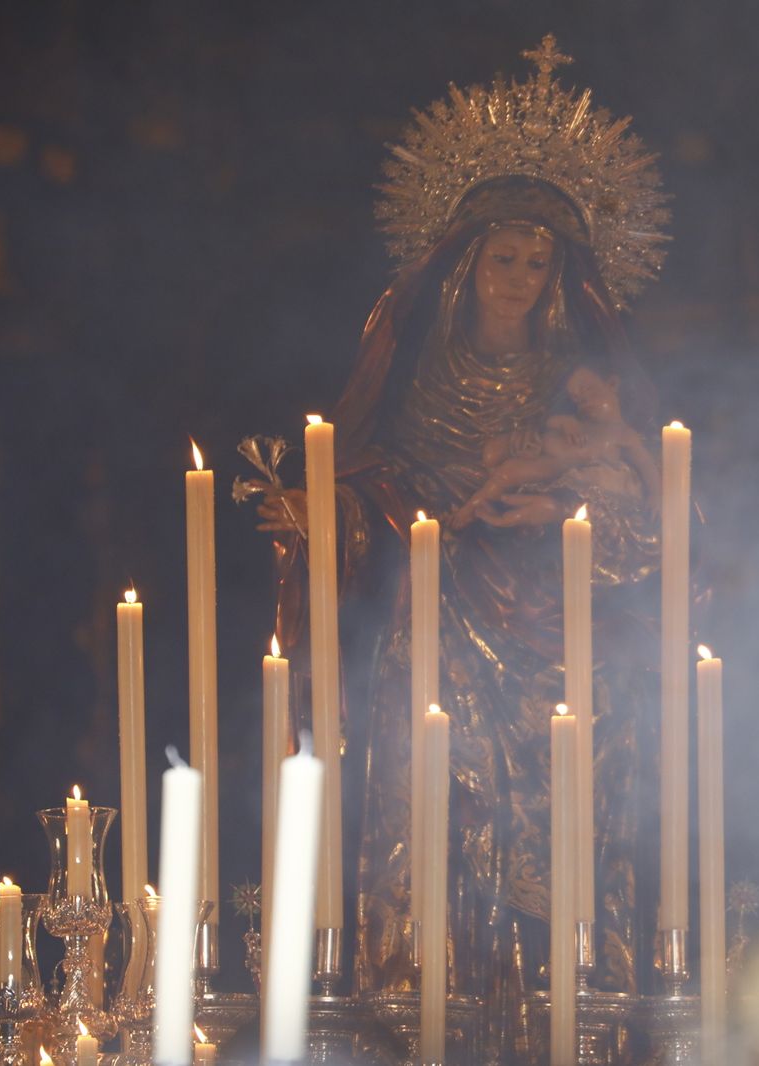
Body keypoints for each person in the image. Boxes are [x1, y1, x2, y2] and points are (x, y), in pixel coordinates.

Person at [251, 39, 669, 1058]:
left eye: (538, 261)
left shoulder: (584, 393)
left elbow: (648, 530)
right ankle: (424, 998)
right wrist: (328, 517)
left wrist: (577, 514)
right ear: (466, 265)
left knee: (559, 828)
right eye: (503, 257)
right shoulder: (409, 387)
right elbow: (364, 491)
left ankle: (567, 1000)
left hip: (561, 647)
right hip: (434, 633)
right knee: (439, 810)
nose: (520, 278)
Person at [449, 362, 661, 530]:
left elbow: (646, 465)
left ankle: (475, 508)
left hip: (557, 467)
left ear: (612, 384)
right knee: (500, 466)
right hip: (539, 451)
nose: (582, 399)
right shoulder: (578, 422)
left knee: (507, 473)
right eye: (575, 397)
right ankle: (473, 505)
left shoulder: (624, 434)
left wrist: (656, 494)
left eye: (587, 389)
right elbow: (550, 423)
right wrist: (565, 423)